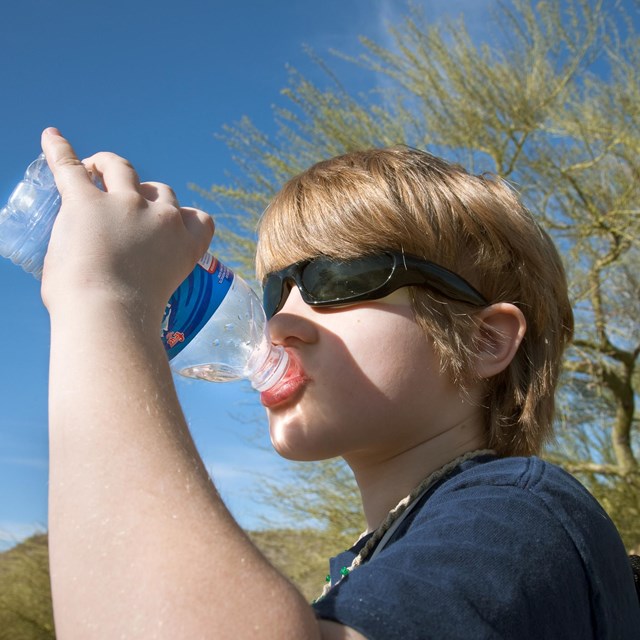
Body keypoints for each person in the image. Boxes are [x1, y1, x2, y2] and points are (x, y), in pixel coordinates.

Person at [40, 127, 639, 639]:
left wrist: (103, 300)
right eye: (278, 290)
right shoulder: (383, 554)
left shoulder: (519, 515)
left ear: (483, 340)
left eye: (339, 277)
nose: (278, 323)